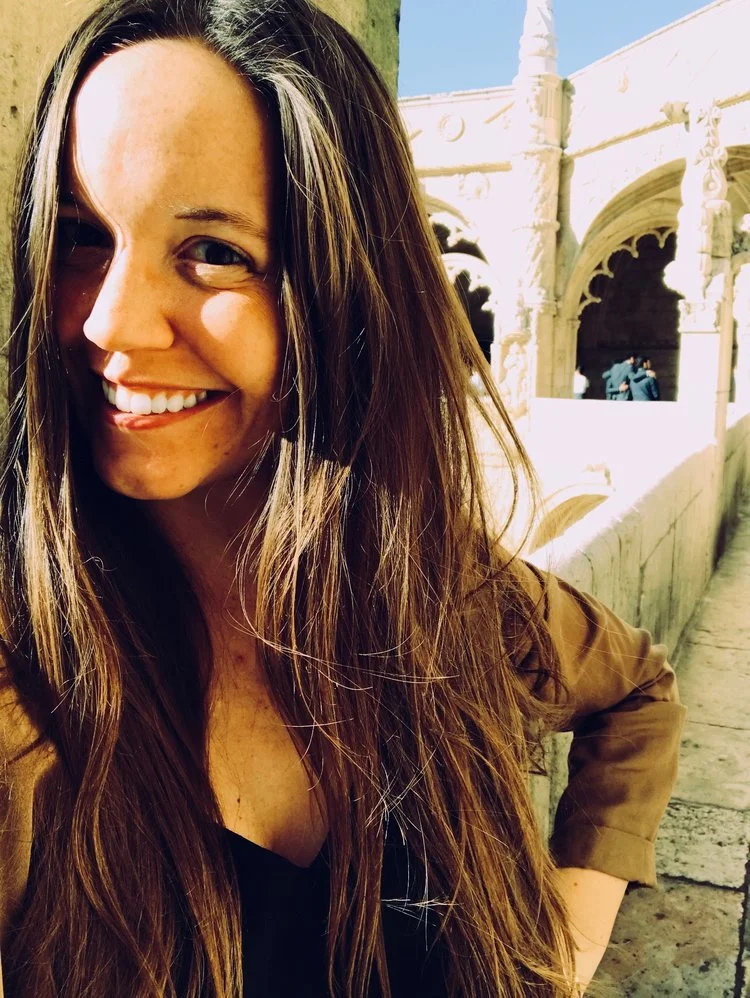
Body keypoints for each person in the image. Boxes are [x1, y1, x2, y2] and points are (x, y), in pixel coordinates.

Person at [0, 2, 685, 996]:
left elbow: (637, 694)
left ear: (340, 295)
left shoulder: (433, 589)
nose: (113, 323)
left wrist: (558, 962)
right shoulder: (25, 683)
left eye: (213, 251)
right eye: (80, 237)